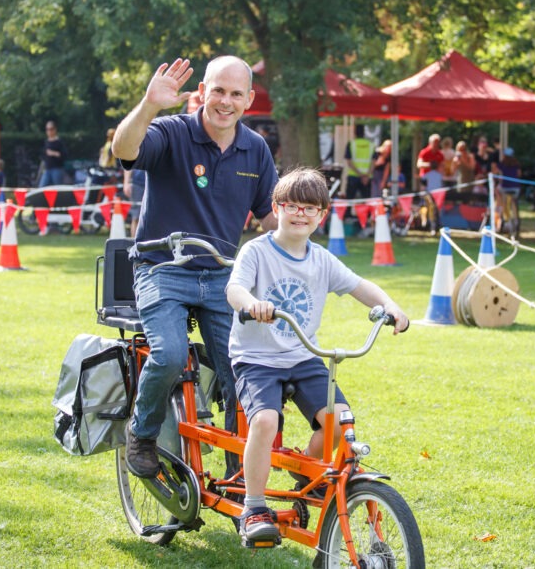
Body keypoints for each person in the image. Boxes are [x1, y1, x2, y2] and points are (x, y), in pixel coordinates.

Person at [111, 56, 279, 479]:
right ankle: (142, 432)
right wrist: (150, 105)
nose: (225, 101)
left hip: (223, 276)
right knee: (169, 356)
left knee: (242, 370)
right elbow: (124, 149)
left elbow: (270, 216)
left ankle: (239, 470)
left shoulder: (255, 148)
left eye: (235, 93)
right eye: (218, 90)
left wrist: (301, 224)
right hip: (161, 269)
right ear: (202, 92)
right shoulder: (172, 131)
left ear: (249, 100)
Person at [226, 167, 408, 543]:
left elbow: (360, 286)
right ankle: (254, 507)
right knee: (263, 423)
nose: (299, 214)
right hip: (257, 357)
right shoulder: (257, 251)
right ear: (276, 208)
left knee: (340, 423)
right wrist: (253, 303)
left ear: (322, 215)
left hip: (302, 354)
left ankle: (309, 473)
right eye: (291, 205)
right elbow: (235, 289)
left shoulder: (321, 259)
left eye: (309, 208)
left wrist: (391, 305)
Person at [342, 124, 372, 203]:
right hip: (367, 177)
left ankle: (348, 214)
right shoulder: (371, 145)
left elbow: (349, 162)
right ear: (364, 133)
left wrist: (360, 174)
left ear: (354, 133)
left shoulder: (351, 144)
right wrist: (366, 176)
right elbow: (374, 162)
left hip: (353, 176)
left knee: (349, 200)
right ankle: (365, 215)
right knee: (366, 201)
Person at [39, 120, 67, 187]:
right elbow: (43, 155)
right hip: (47, 169)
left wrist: (54, 153)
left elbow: (65, 155)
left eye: (51, 129)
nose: (49, 131)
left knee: (58, 189)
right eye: (47, 129)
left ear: (55, 130)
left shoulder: (59, 142)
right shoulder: (46, 142)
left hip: (57, 169)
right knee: (41, 187)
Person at [122, 167, 146, 234]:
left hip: (153, 182)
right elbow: (128, 163)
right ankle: (134, 242)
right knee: (136, 217)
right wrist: (126, 183)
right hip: (137, 184)